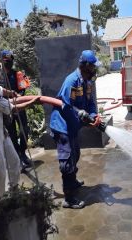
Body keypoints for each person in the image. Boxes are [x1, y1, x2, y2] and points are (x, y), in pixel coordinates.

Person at [0, 54, 39, 199]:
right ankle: (1, 202)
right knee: (0, 172)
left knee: (15, 162)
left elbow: (2, 90)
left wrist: (11, 92)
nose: (0, 72)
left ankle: (14, 191)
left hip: (1, 131)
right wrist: (33, 102)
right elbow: (11, 108)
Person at [50, 50, 102, 209]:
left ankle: (72, 182)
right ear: (86, 66)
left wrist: (93, 115)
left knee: (75, 154)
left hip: (72, 126)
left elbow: (91, 103)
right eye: (93, 66)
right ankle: (69, 198)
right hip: (63, 125)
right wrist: (79, 114)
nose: (95, 70)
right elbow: (65, 106)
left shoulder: (87, 82)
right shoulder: (71, 81)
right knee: (67, 161)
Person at [0, 50, 32, 169]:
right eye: (6, 61)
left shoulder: (18, 74)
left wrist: (18, 96)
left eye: (10, 61)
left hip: (19, 107)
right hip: (6, 109)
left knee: (24, 130)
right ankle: (18, 157)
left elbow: (23, 89)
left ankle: (23, 152)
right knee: (11, 133)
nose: (8, 63)